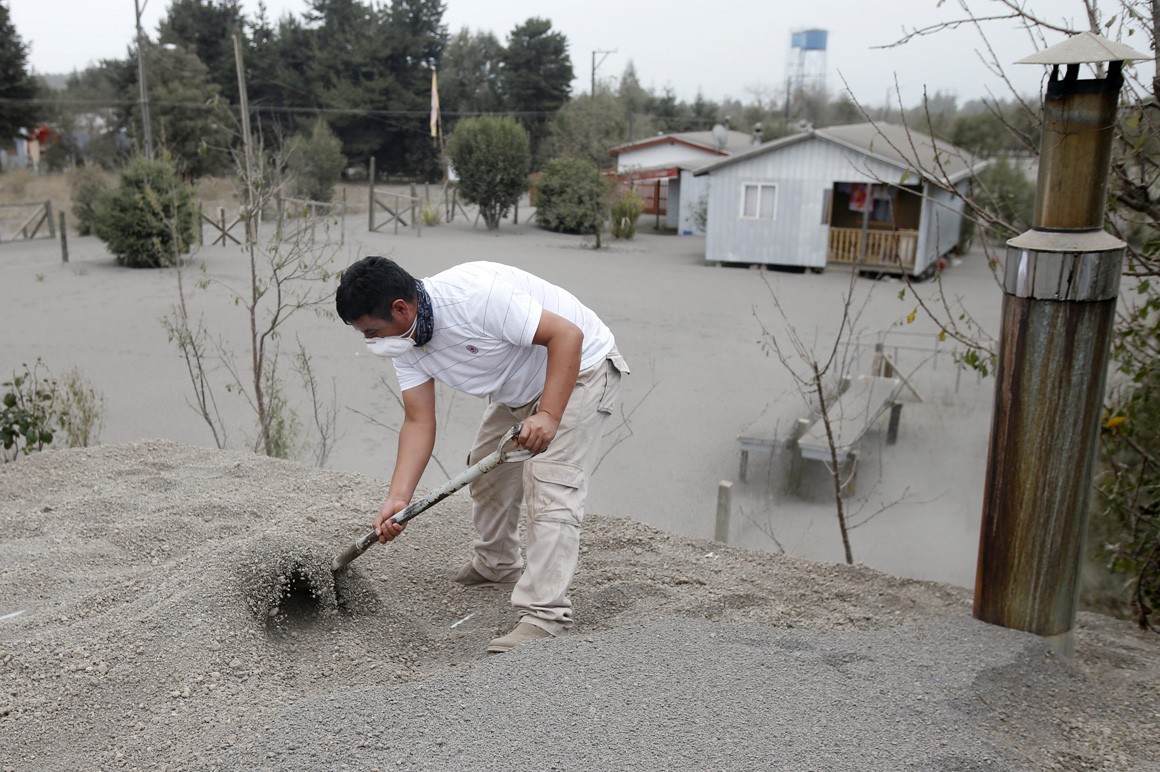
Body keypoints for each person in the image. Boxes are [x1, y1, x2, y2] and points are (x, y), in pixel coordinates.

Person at [335, 256, 629, 653]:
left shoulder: (476, 297)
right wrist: (398, 498)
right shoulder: (404, 344)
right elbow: (419, 422)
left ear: (401, 309)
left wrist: (548, 414)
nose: (371, 342)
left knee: (551, 486)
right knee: (485, 471)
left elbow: (567, 336)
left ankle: (545, 616)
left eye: (371, 330)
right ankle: (498, 563)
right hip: (520, 388)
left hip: (580, 369)